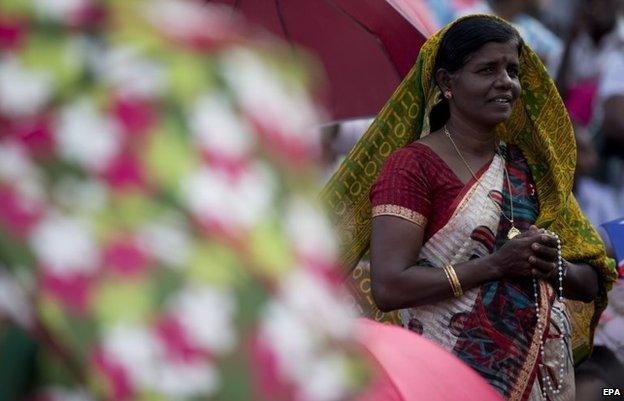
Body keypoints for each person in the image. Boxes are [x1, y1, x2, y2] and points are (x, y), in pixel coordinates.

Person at [322, 15, 617, 401]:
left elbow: (591, 279)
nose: (506, 83)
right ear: (447, 83)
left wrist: (554, 265)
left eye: (512, 70)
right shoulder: (413, 166)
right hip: (443, 377)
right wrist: (496, 265)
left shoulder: (528, 168)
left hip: (535, 380)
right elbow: (389, 285)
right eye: (487, 70)